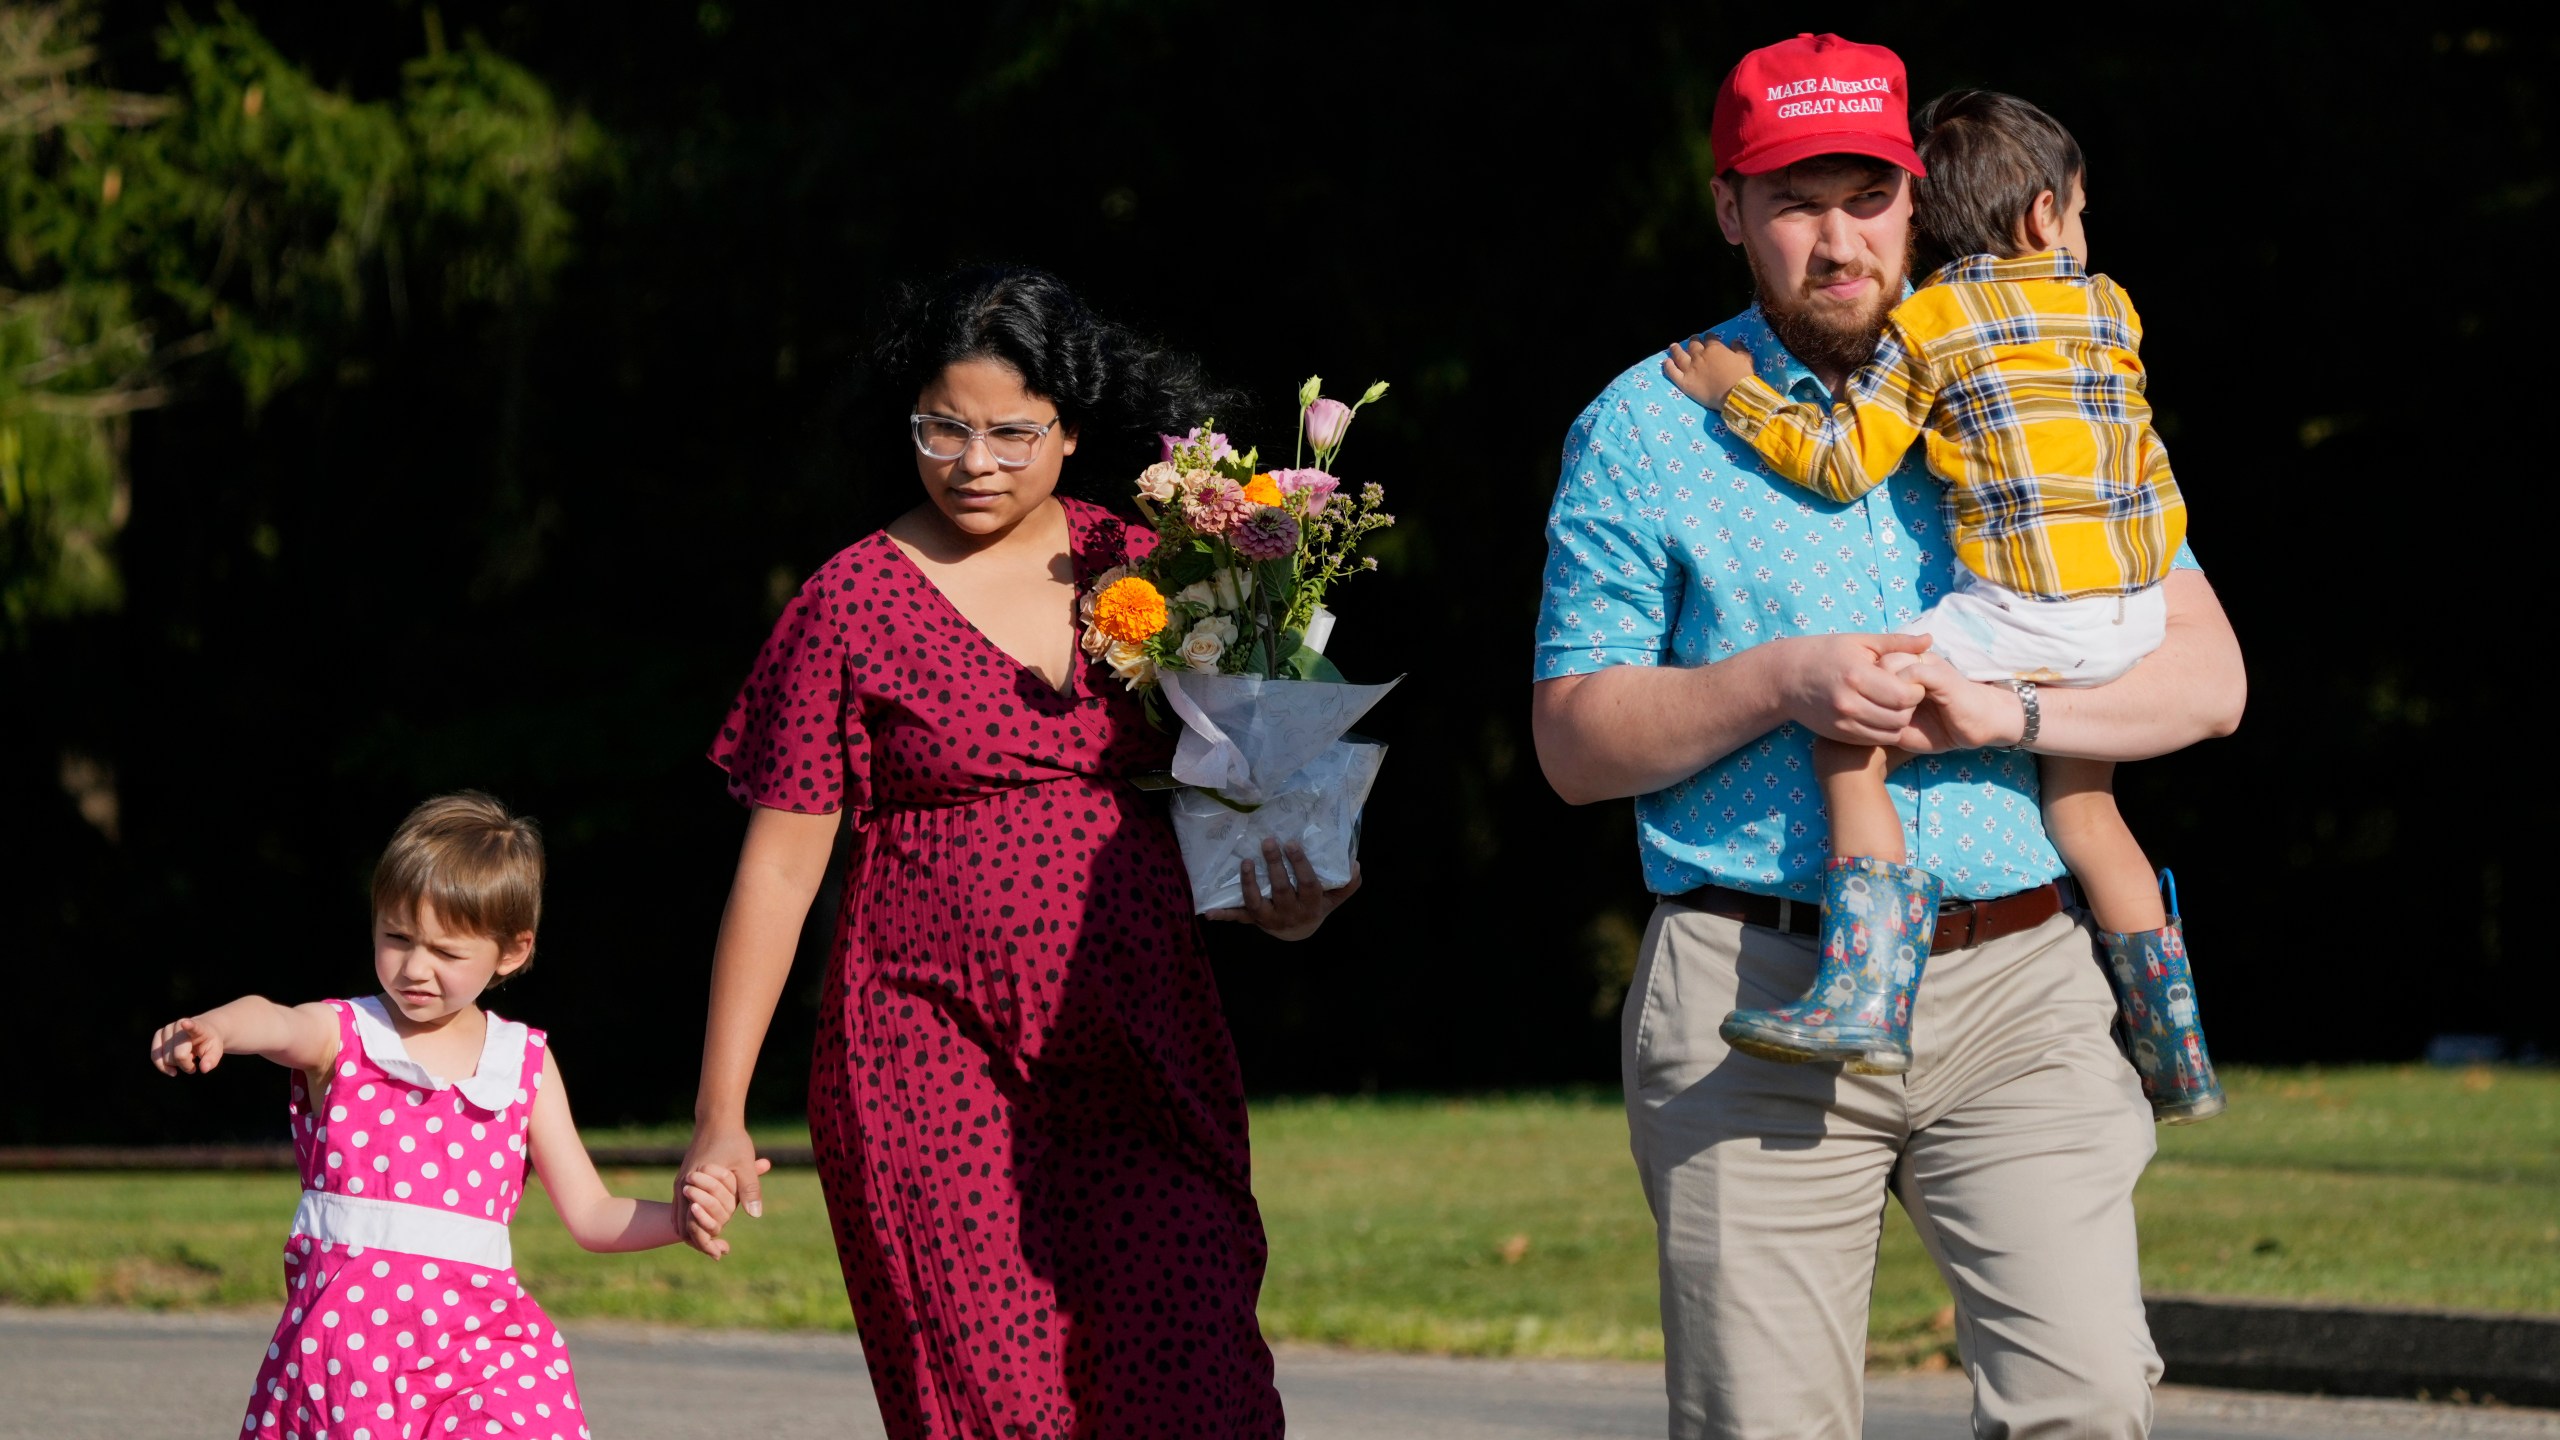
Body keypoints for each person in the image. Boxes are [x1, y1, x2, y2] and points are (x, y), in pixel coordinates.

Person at [1531, 32, 2245, 1440]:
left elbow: (2209, 678)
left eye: (1870, 196)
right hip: (1759, 989)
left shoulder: (2029, 372)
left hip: (2024, 985)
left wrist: (2017, 712)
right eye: (1798, 201)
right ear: (1729, 208)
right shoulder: (1642, 425)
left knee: (2087, 1406)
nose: (1840, 238)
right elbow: (1572, 740)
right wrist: (1780, 682)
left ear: (1920, 200)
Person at [677, 265, 1355, 1440]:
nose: (972, 462)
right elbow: (779, 871)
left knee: (1200, 1389)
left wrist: (1298, 894)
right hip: (927, 1062)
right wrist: (720, 1113)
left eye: (1009, 432)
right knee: (994, 1407)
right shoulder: (849, 601)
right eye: (943, 427)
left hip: (1145, 1046)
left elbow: (1253, 789)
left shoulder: (1162, 567)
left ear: (1072, 428)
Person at [1658, 88, 2223, 1120]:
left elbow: (1840, 465)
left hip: (2022, 611)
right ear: (2047, 217)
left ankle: (1866, 991)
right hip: (2131, 607)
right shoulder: (2110, 306)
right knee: (2088, 814)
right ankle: (2175, 1055)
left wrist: (1734, 394)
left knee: (1851, 726)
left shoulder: (1931, 323)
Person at [147, 791, 748, 1440]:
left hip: (483, 1356)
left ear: (511, 953)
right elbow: (275, 1018)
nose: (415, 968)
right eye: (396, 938)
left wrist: (680, 1219)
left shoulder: (524, 1064)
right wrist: (215, 1027)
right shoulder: (343, 1036)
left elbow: (593, 1215)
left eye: (447, 953)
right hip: (350, 1365)